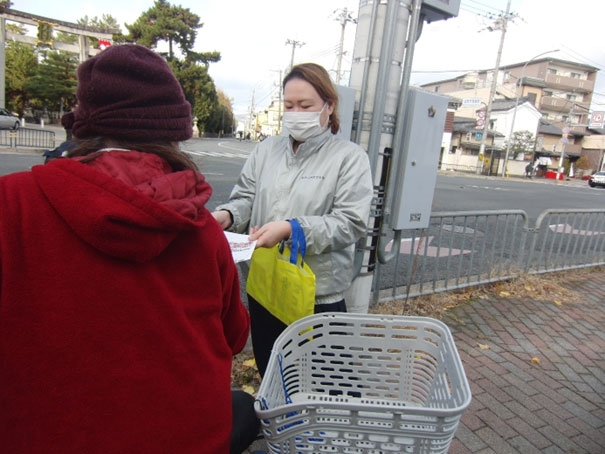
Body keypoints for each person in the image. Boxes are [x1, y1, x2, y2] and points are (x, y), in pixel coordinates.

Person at [0, 44, 258, 454]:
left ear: (84, 124)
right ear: (174, 131)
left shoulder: (11, 203)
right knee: (244, 406)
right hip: (186, 438)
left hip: (37, 434)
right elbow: (235, 336)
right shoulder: (199, 229)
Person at [213, 63, 373, 377]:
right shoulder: (266, 150)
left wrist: (292, 228)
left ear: (329, 106)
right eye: (289, 105)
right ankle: (276, 424)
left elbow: (350, 222)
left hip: (317, 295)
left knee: (324, 384)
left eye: (306, 105)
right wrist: (227, 216)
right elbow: (246, 196)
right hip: (266, 287)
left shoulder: (349, 157)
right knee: (272, 373)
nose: (296, 112)